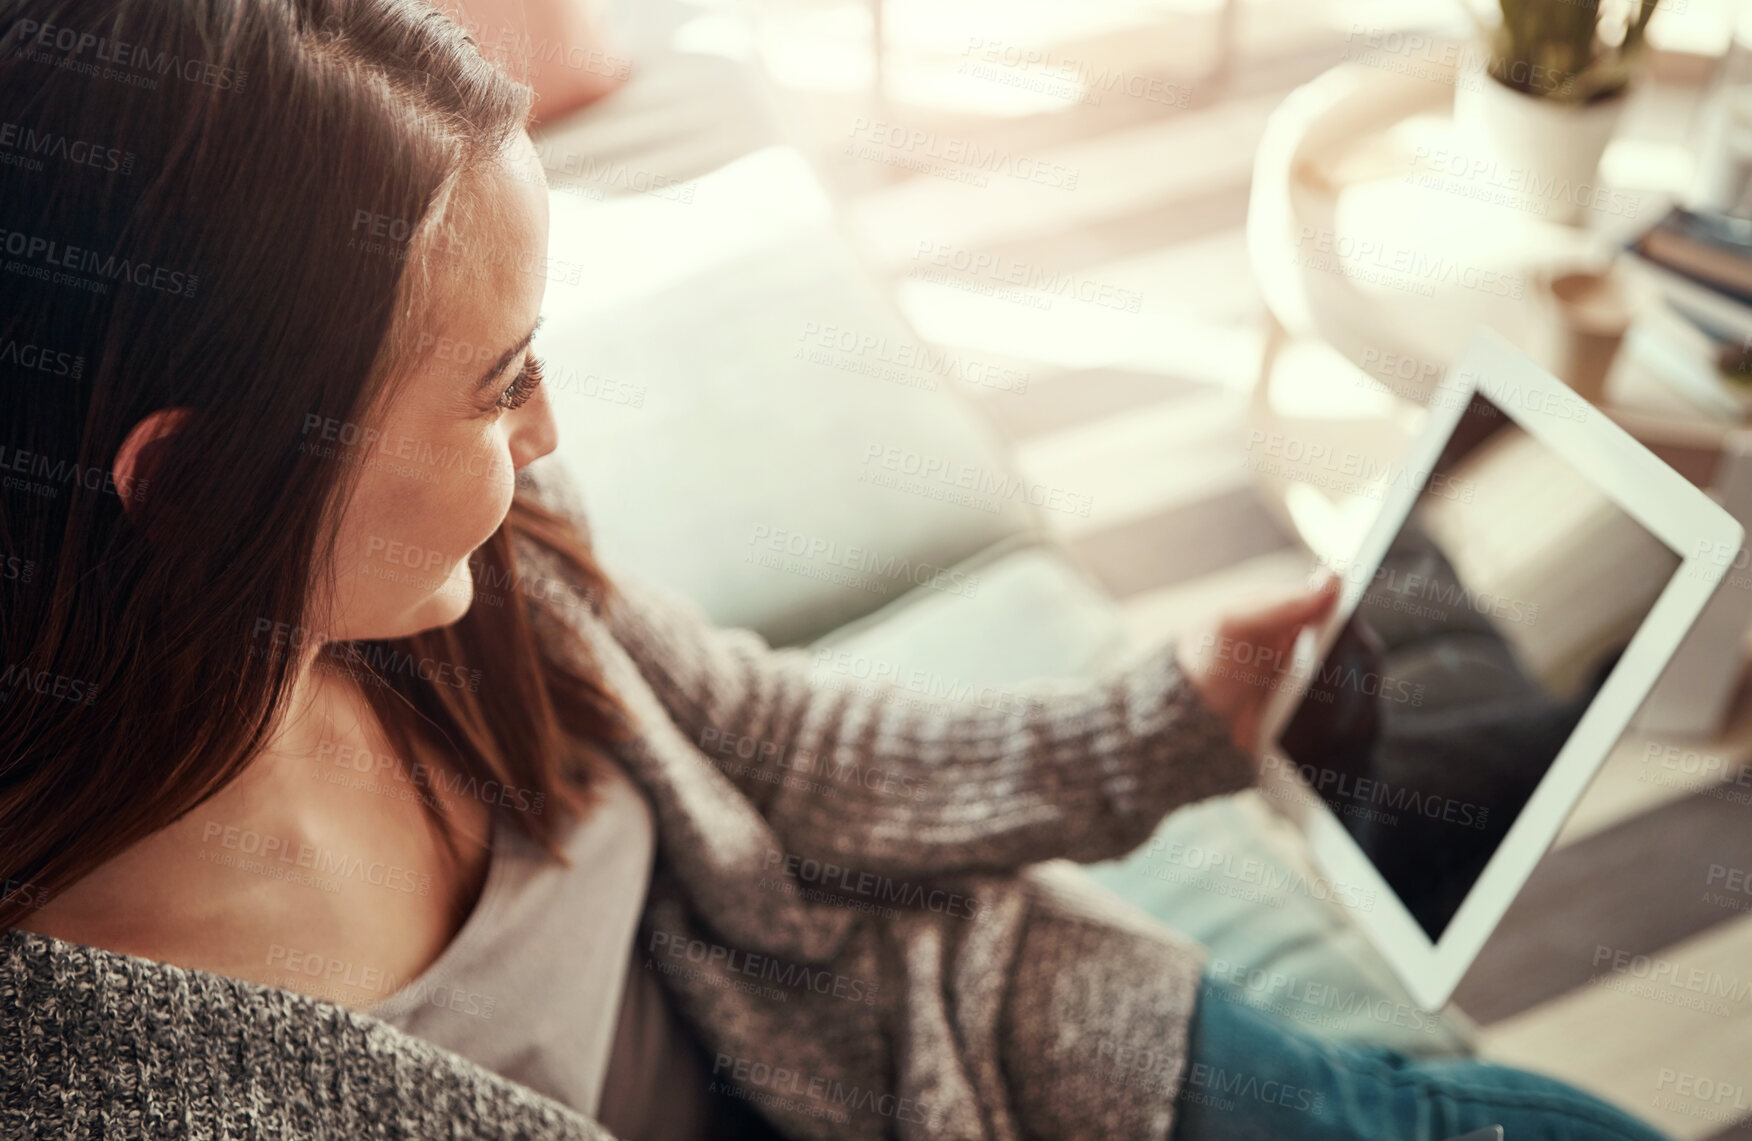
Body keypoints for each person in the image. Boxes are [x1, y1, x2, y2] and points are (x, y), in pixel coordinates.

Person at [0, 2, 1678, 1139]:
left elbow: (780, 752)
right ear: (202, 475)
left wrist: (1176, 718)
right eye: (494, 380)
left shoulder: (473, 590)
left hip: (954, 1025)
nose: (549, 429)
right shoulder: (109, 1068)